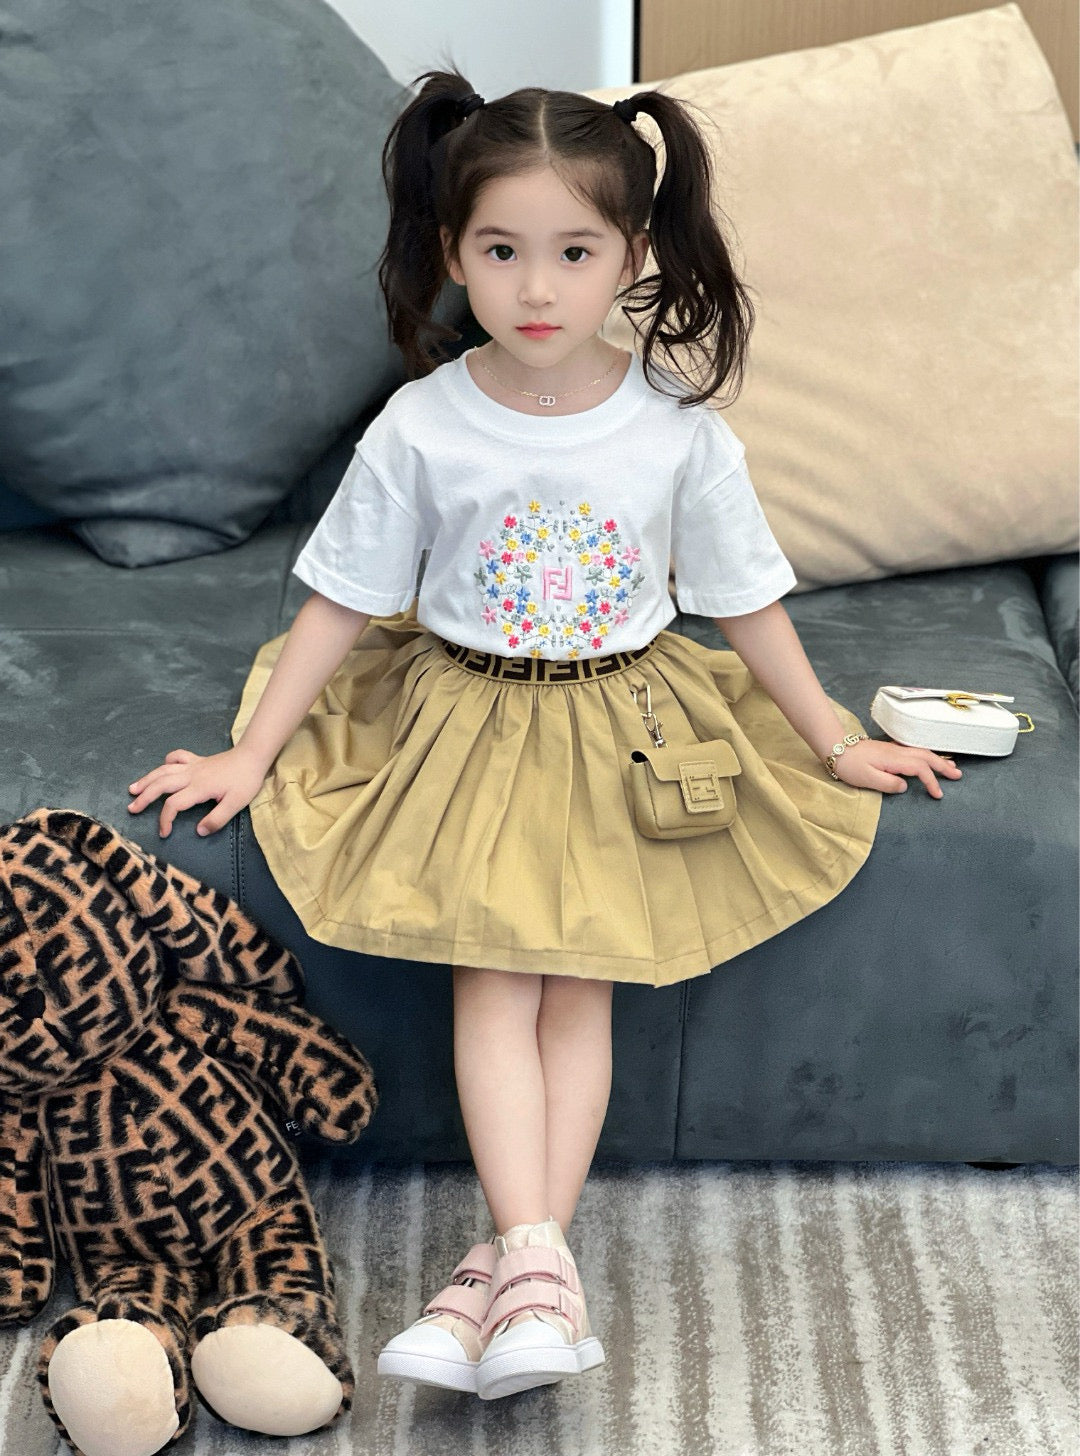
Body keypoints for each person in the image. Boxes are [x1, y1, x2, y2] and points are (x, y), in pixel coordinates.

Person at [127, 71, 962, 1403]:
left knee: (580, 985)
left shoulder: (675, 431)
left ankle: (514, 1268)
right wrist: (255, 753)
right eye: (501, 250)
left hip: (621, 721)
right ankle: (534, 1265)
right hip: (464, 719)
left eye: (574, 253)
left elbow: (743, 597)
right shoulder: (424, 421)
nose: (535, 287)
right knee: (495, 981)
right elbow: (342, 597)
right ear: (453, 254)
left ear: (631, 256)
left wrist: (829, 738)